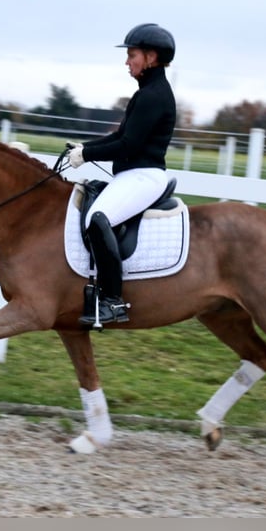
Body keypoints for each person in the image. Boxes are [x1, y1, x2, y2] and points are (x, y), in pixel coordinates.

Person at [66, 23, 177, 326]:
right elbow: (119, 137)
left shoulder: (153, 96)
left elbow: (128, 144)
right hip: (133, 174)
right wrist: (84, 147)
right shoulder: (146, 93)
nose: (127, 61)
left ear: (151, 57)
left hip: (143, 176)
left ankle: (112, 301)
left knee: (98, 218)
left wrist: (86, 155)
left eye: (132, 55)